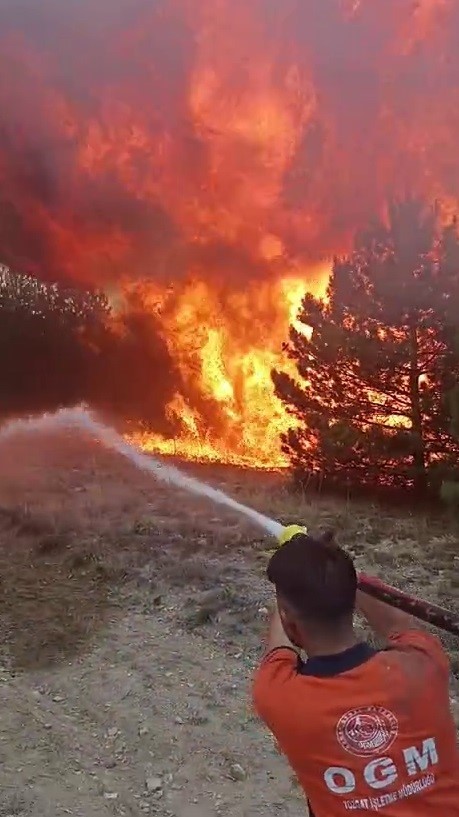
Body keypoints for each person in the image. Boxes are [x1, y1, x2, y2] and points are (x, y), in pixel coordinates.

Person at [252, 528, 459, 816]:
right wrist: (337, 569)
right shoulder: (424, 663)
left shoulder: (278, 695)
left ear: (288, 618)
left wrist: (299, 570)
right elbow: (398, 625)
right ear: (351, 598)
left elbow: (280, 645)